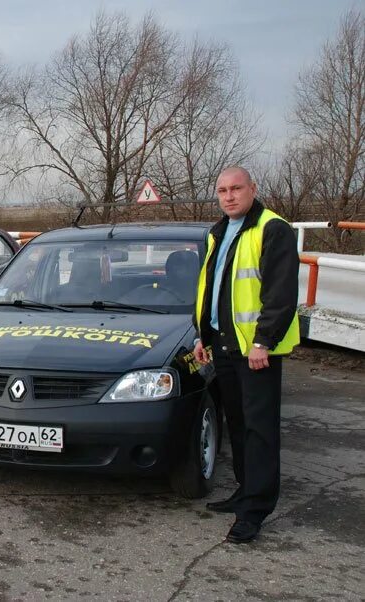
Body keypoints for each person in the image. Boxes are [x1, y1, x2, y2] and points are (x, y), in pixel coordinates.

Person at [192, 166, 300, 544]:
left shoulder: (273, 229)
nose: (229, 196)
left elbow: (281, 294)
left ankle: (255, 509)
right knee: (237, 423)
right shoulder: (217, 233)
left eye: (236, 188)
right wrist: (201, 335)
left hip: (256, 350)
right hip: (222, 345)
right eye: (222, 190)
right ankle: (244, 491)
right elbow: (211, 289)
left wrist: (263, 342)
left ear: (253, 189)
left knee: (260, 429)